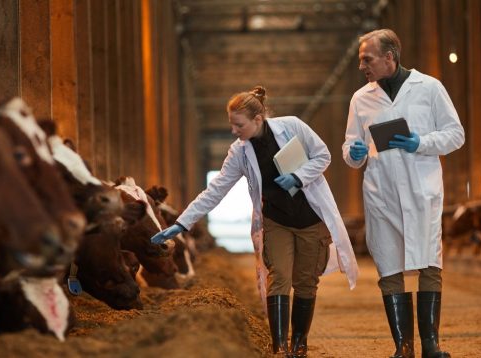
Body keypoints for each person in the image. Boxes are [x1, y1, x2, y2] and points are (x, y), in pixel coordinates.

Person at [151, 86, 358, 357]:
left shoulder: (293, 126)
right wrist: (181, 224)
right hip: (276, 220)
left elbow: (323, 156)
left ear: (257, 119)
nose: (234, 130)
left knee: (306, 281)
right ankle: (279, 347)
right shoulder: (239, 152)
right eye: (231, 124)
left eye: (239, 125)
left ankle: (299, 344)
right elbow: (215, 190)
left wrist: (298, 177)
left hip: (311, 219)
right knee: (279, 276)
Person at [342, 29, 464, 358]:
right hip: (381, 194)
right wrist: (354, 153)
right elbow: (350, 146)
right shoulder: (360, 98)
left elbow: (456, 134)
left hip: (422, 192)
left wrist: (421, 142)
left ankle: (431, 346)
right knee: (389, 267)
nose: (362, 66)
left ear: (389, 57)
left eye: (366, 60)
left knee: (430, 264)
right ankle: (403, 347)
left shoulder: (429, 88)